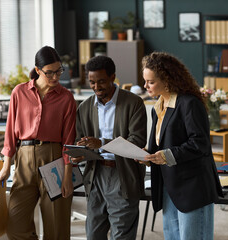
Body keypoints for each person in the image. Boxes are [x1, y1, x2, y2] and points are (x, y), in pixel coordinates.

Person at [141, 51, 224, 240]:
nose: (145, 86)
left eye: (150, 81)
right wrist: (147, 155)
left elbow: (200, 143)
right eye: (145, 81)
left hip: (192, 187)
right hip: (169, 186)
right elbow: (161, 143)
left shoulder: (189, 103)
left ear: (168, 80)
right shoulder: (158, 107)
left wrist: (167, 155)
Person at [0, 46, 77, 239]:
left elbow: (69, 139)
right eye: (50, 73)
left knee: (56, 226)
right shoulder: (19, 92)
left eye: (59, 71)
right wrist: (6, 166)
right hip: (24, 159)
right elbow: (10, 132)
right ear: (38, 70)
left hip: (54, 157)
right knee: (16, 224)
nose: (56, 77)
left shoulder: (66, 98)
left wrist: (68, 174)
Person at [72, 55, 147, 240]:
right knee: (93, 234)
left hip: (122, 174)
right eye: (92, 82)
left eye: (101, 82)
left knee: (121, 233)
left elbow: (137, 141)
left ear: (113, 77)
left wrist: (102, 144)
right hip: (95, 174)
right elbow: (79, 139)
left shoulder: (134, 103)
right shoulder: (84, 107)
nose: (96, 87)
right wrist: (79, 153)